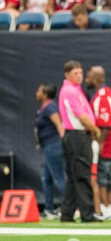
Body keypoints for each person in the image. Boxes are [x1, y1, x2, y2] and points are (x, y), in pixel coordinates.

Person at [58, 60, 102, 223]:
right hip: (78, 136)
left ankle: (67, 214)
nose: (79, 76)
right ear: (67, 75)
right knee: (83, 176)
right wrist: (96, 130)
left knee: (74, 177)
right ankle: (87, 215)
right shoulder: (70, 91)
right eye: (75, 73)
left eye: (81, 72)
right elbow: (82, 117)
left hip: (74, 136)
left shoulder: (74, 90)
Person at [85, 66, 111, 220]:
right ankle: (109, 207)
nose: (86, 80)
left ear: (96, 78)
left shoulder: (103, 95)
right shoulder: (104, 93)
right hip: (109, 143)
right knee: (109, 177)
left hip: (105, 144)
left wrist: (100, 143)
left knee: (103, 177)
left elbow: (105, 124)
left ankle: (106, 207)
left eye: (88, 77)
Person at [35, 83, 65, 220]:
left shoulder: (50, 107)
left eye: (39, 91)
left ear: (45, 94)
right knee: (46, 178)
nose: (37, 93)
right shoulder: (43, 108)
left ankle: (73, 206)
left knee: (59, 177)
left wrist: (63, 143)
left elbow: (59, 124)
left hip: (54, 146)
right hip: (47, 147)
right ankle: (48, 209)